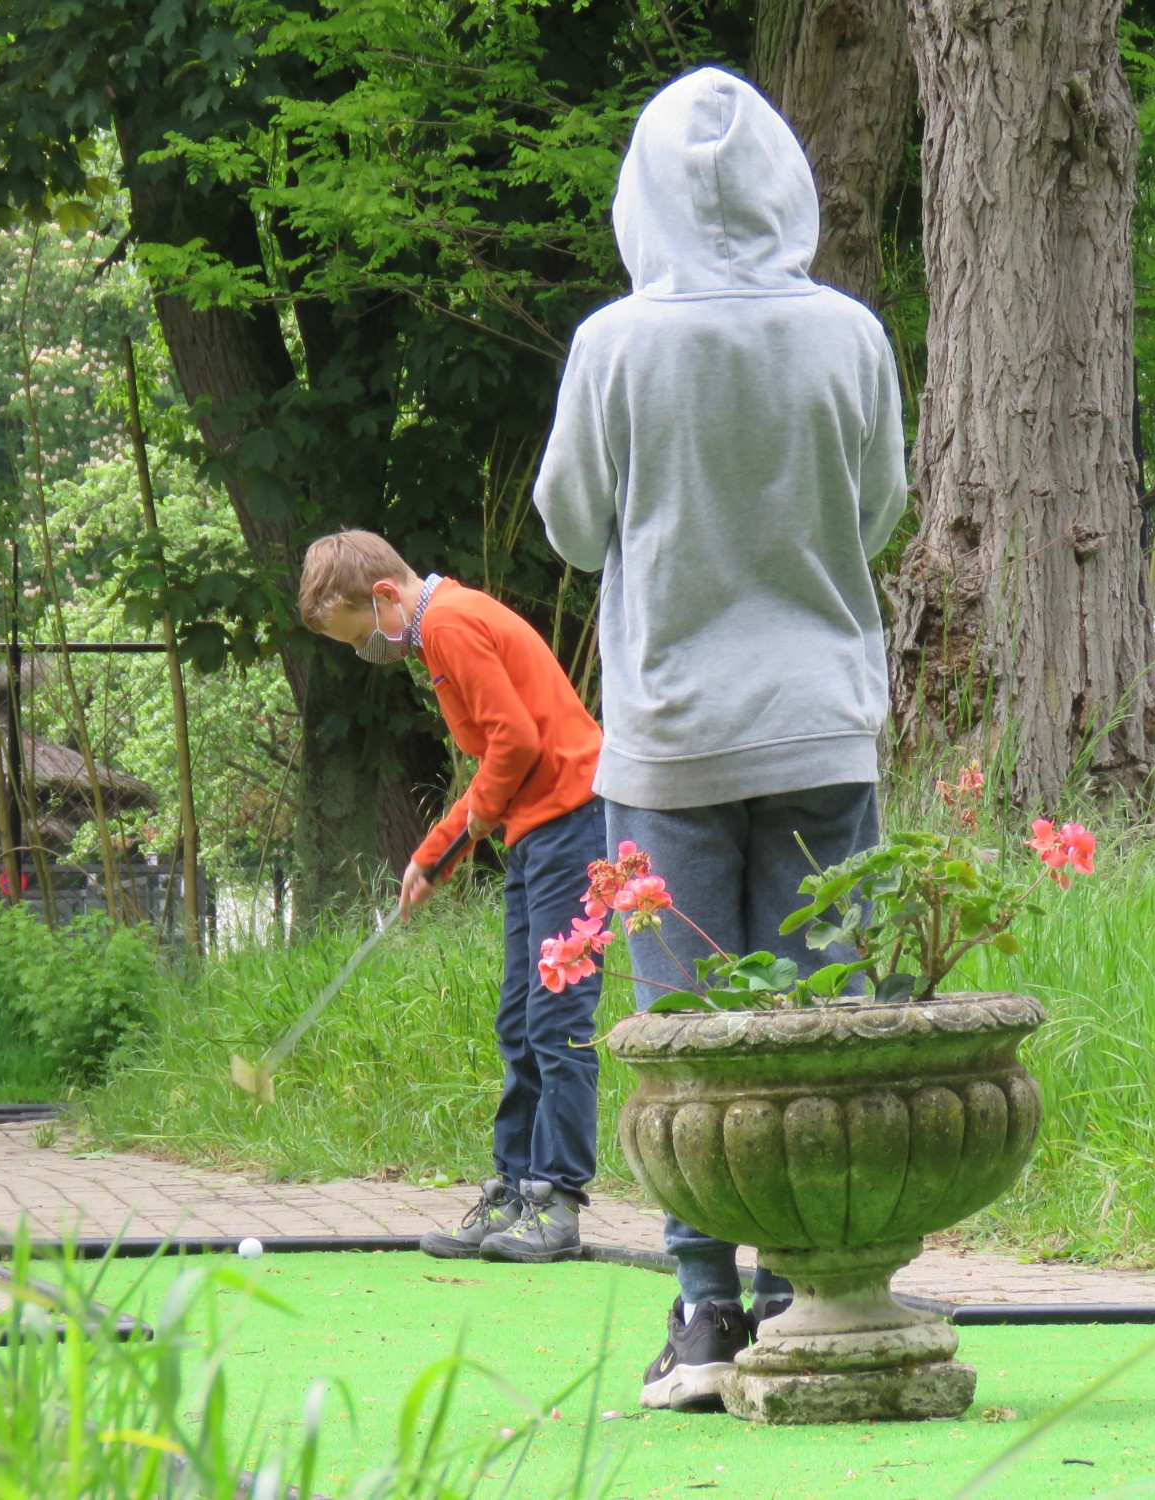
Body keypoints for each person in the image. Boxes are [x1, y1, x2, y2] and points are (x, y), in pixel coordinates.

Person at [533, 67, 910, 1412]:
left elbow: (573, 529)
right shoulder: (849, 335)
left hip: (673, 731)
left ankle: (701, 1315)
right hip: (819, 725)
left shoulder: (614, 346)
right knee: (814, 1023)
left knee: (684, 1027)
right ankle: (814, 1294)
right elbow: (878, 513)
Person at [299, 530, 605, 1264]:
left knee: (557, 1016)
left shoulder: (447, 623)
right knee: (517, 1016)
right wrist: (434, 855)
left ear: (384, 596)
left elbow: (519, 744)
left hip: (571, 821)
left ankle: (556, 1203)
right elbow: (498, 766)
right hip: (537, 830)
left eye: (359, 635)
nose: (365, 650)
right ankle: (512, 1189)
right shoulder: (439, 633)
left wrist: (457, 836)